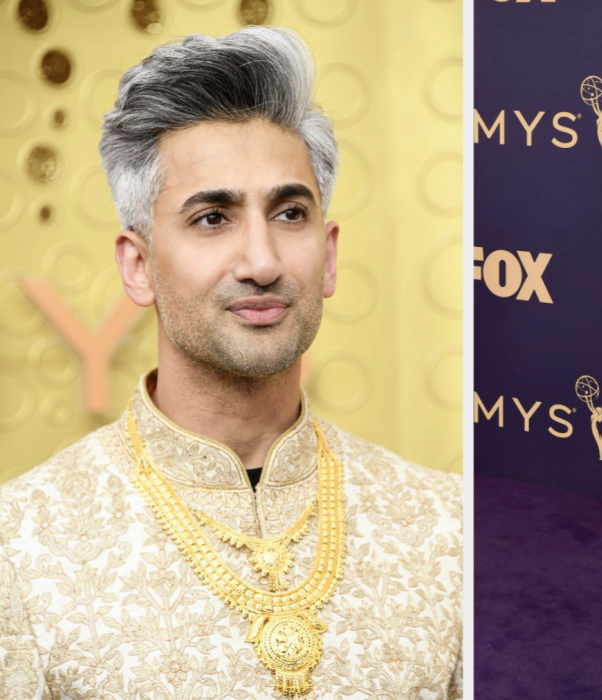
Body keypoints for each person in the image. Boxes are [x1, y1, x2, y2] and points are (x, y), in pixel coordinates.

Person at [0, 27, 462, 699]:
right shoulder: (20, 546)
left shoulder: (442, 523)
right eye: (213, 218)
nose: (263, 262)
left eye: (290, 213)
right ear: (139, 265)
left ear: (328, 256)